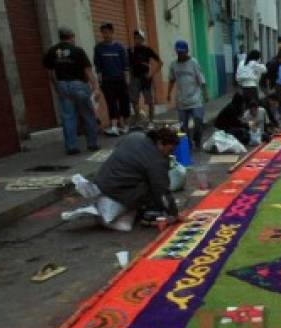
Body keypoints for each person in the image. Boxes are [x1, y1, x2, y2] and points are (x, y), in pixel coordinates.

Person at [92, 126, 179, 231]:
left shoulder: (135, 136)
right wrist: (173, 213)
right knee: (153, 187)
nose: (170, 154)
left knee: (147, 179)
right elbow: (161, 189)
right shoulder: (156, 159)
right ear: (160, 143)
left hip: (102, 181)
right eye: (170, 150)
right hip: (117, 188)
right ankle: (149, 214)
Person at [42, 26, 100, 155]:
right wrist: (95, 86)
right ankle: (93, 143)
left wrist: (56, 86)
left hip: (62, 85)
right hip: (79, 84)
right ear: (72, 37)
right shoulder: (77, 51)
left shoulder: (52, 51)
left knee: (68, 117)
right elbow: (87, 70)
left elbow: (50, 72)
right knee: (87, 114)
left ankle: (71, 147)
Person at [167, 40, 206, 149]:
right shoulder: (173, 65)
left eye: (183, 52)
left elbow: (201, 78)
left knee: (198, 121)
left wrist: (205, 93)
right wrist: (168, 93)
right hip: (181, 100)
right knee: (183, 126)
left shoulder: (193, 62)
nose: (181, 55)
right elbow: (171, 79)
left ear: (187, 51)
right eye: (179, 52)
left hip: (195, 99)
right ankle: (188, 144)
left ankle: (197, 141)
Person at [94, 22, 131, 136]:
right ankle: (114, 126)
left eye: (107, 32)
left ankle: (125, 125)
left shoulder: (120, 47)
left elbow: (125, 66)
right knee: (111, 103)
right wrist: (99, 82)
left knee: (124, 102)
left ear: (112, 32)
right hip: (107, 80)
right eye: (103, 32)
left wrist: (127, 80)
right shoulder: (98, 48)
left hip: (120, 79)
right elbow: (98, 67)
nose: (105, 35)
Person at [128, 30, 161, 126]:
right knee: (134, 100)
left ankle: (151, 120)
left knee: (150, 101)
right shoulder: (130, 50)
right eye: (136, 38)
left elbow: (160, 63)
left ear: (143, 39)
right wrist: (129, 78)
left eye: (140, 38)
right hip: (135, 78)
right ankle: (138, 119)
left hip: (146, 79)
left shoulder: (147, 50)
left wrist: (151, 74)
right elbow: (128, 66)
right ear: (134, 39)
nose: (138, 40)